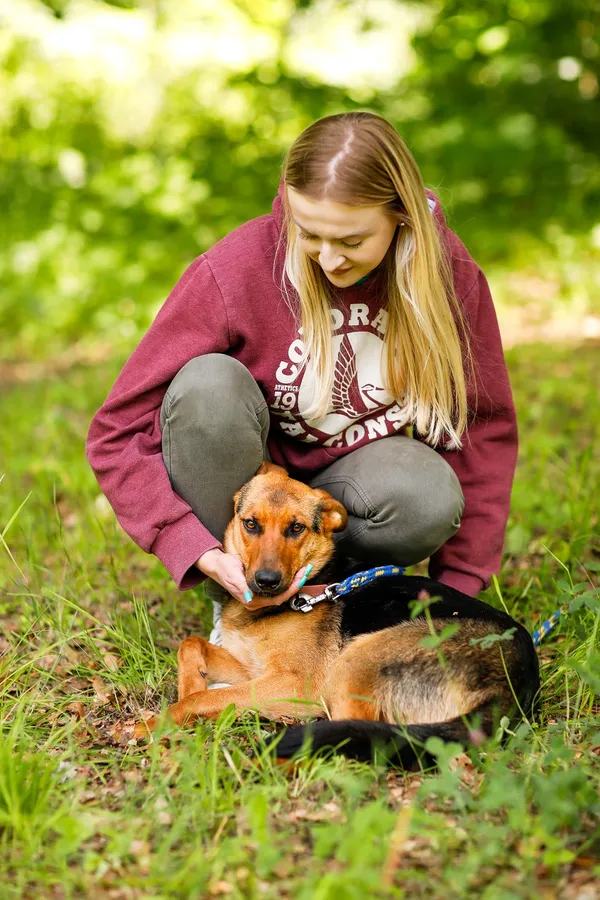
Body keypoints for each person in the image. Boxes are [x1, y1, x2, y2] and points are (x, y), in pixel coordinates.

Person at [86, 111, 517, 645]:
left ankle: (328, 590)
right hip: (245, 488)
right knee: (208, 386)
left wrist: (460, 596)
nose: (330, 259)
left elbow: (480, 431)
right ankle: (240, 596)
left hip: (348, 487)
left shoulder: (449, 277)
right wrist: (188, 544)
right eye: (309, 234)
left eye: (353, 241)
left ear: (401, 218)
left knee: (425, 495)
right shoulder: (237, 269)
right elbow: (115, 430)